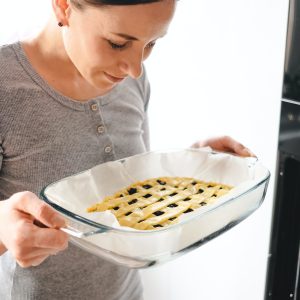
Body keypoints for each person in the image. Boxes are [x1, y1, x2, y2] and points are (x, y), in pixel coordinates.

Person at [0, 0, 254, 299]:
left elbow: (129, 182)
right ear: (64, 7)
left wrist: (192, 169)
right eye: (117, 44)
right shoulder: (6, 88)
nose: (135, 69)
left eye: (151, 44)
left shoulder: (130, 79)